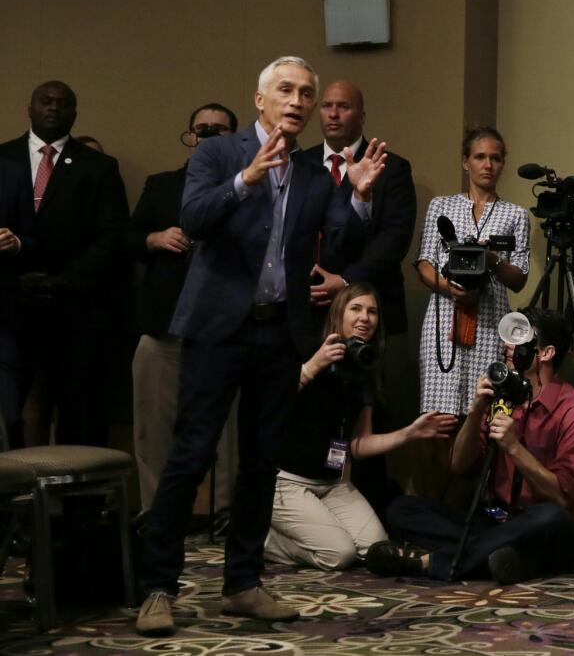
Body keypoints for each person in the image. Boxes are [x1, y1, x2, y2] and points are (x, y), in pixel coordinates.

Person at [135, 56, 388, 637]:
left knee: (259, 462)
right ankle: (158, 587)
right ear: (260, 99)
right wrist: (245, 179)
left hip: (279, 331)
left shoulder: (310, 172)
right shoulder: (218, 154)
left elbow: (342, 243)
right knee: (192, 455)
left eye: (306, 92)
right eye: (286, 90)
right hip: (217, 330)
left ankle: (242, 585)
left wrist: (357, 198)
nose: (297, 101)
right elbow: (194, 219)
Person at [371, 308, 574, 583]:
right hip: (503, 521)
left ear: (546, 353)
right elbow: (459, 467)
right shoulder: (502, 397)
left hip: (562, 527)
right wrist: (475, 410)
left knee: (548, 517)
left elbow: (563, 498)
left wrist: (514, 448)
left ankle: (432, 562)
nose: (508, 345)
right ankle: (506, 557)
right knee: (402, 509)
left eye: (520, 337)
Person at [264, 282, 457, 570]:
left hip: (333, 483)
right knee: (339, 555)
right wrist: (313, 366)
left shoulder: (363, 367)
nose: (365, 317)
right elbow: (268, 404)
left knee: (374, 549)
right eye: (355, 309)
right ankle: (259, 537)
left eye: (372, 311)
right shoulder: (306, 349)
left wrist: (411, 433)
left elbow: (358, 445)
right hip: (287, 482)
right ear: (338, 315)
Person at [304, 80, 417, 510]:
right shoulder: (301, 165)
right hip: (313, 310)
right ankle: (313, 501)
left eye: (344, 107)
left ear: (361, 115)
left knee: (370, 409)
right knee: (316, 412)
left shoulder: (393, 167)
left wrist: (346, 282)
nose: (333, 113)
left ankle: (369, 507)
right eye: (327, 106)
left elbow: (394, 240)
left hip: (372, 310)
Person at [0, 80, 129, 447]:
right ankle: (12, 501)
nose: (53, 108)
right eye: (45, 101)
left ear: (75, 113)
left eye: (63, 103)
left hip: (76, 308)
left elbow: (111, 235)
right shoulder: (2, 157)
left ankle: (79, 506)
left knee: (79, 415)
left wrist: (63, 281)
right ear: (29, 107)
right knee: (8, 414)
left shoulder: (99, 167)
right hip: (9, 307)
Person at [126, 103, 240, 517]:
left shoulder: (248, 185)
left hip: (223, 328)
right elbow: (127, 238)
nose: (208, 134)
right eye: (201, 128)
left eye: (219, 129)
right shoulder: (161, 185)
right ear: (190, 135)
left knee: (227, 431)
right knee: (153, 429)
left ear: (235, 136)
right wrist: (155, 238)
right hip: (164, 326)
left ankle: (222, 513)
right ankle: (157, 514)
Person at [414, 127, 530, 420]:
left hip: (491, 321)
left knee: (483, 412)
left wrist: (491, 260)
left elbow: (519, 278)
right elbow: (424, 262)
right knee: (439, 417)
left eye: (495, 158)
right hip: (443, 320)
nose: (488, 165)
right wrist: (447, 288)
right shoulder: (441, 206)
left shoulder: (515, 214)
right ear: (465, 161)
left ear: (503, 163)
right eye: (480, 157)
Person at [0, 158, 34, 446]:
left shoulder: (12, 172)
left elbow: (36, 238)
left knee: (10, 417)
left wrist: (17, 243)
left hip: (3, 317)